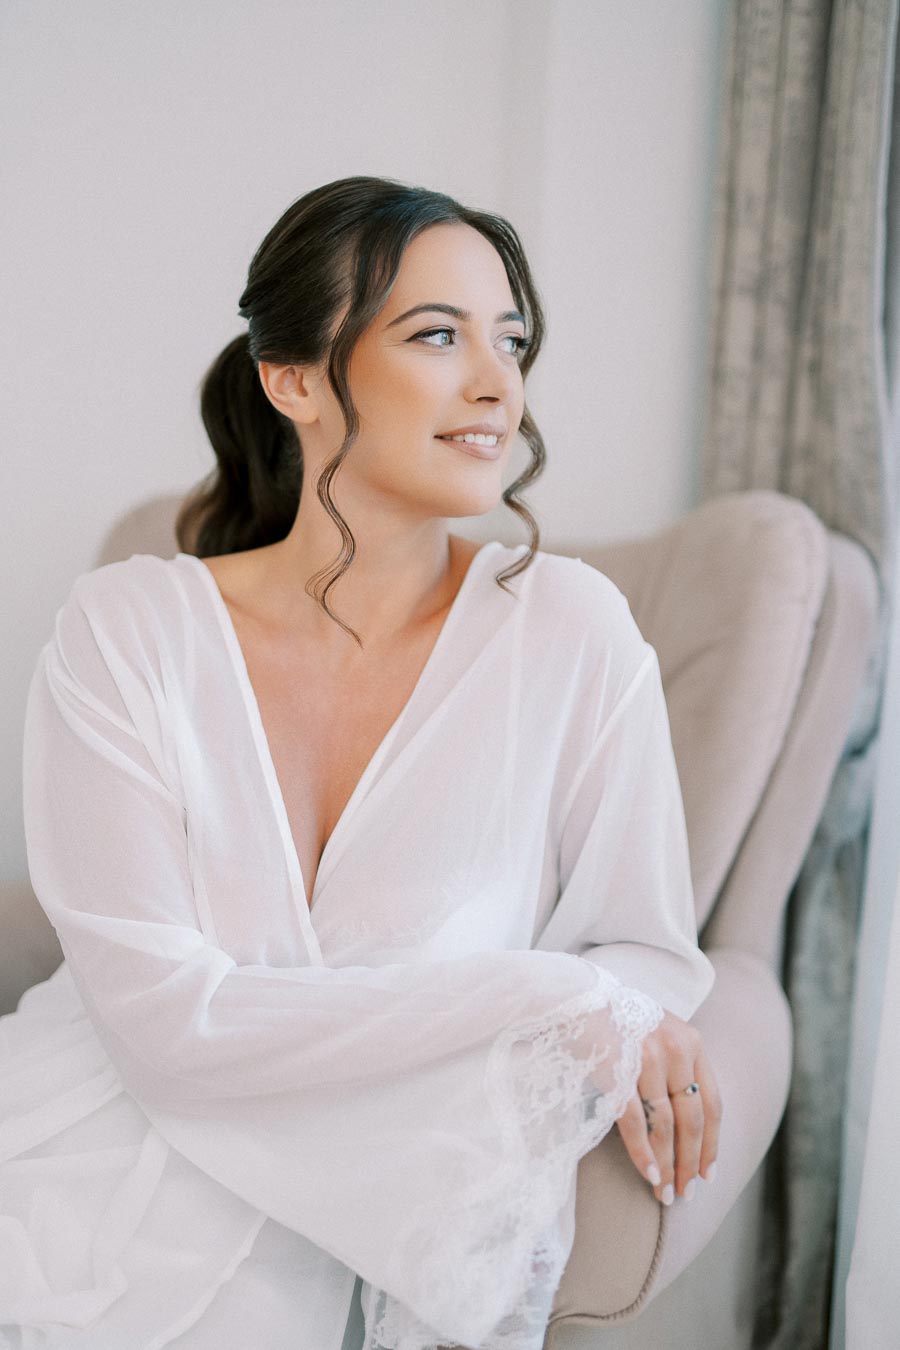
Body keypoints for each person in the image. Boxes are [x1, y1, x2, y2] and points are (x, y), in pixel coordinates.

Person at [5, 175, 719, 1350]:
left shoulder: (572, 633)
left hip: (400, 1218)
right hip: (85, 1178)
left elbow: (646, 953)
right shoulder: (125, 630)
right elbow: (165, 1027)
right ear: (293, 380)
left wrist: (597, 1009)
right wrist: (547, 998)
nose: (498, 384)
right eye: (438, 336)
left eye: (513, 340)